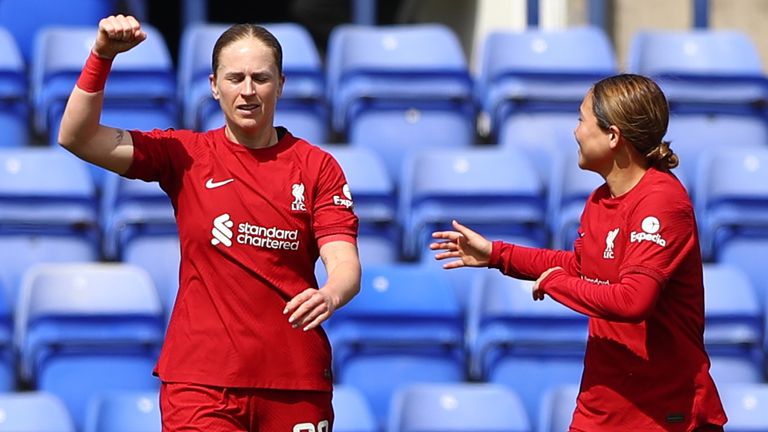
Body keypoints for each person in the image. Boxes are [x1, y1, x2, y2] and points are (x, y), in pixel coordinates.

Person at [59, 14, 361, 431]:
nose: (248, 91)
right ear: (214, 85)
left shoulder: (316, 167)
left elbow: (344, 263)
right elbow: (77, 136)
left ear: (282, 84)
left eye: (261, 78)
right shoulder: (185, 155)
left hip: (295, 381)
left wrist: (330, 294)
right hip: (201, 384)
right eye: (235, 78)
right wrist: (102, 56)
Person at [431, 74, 727, 431]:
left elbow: (634, 300)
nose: (575, 132)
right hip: (602, 411)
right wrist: (497, 254)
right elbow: (585, 267)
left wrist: (556, 284)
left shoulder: (662, 202)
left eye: (581, 120)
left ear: (613, 136)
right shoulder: (600, 200)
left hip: (665, 414)